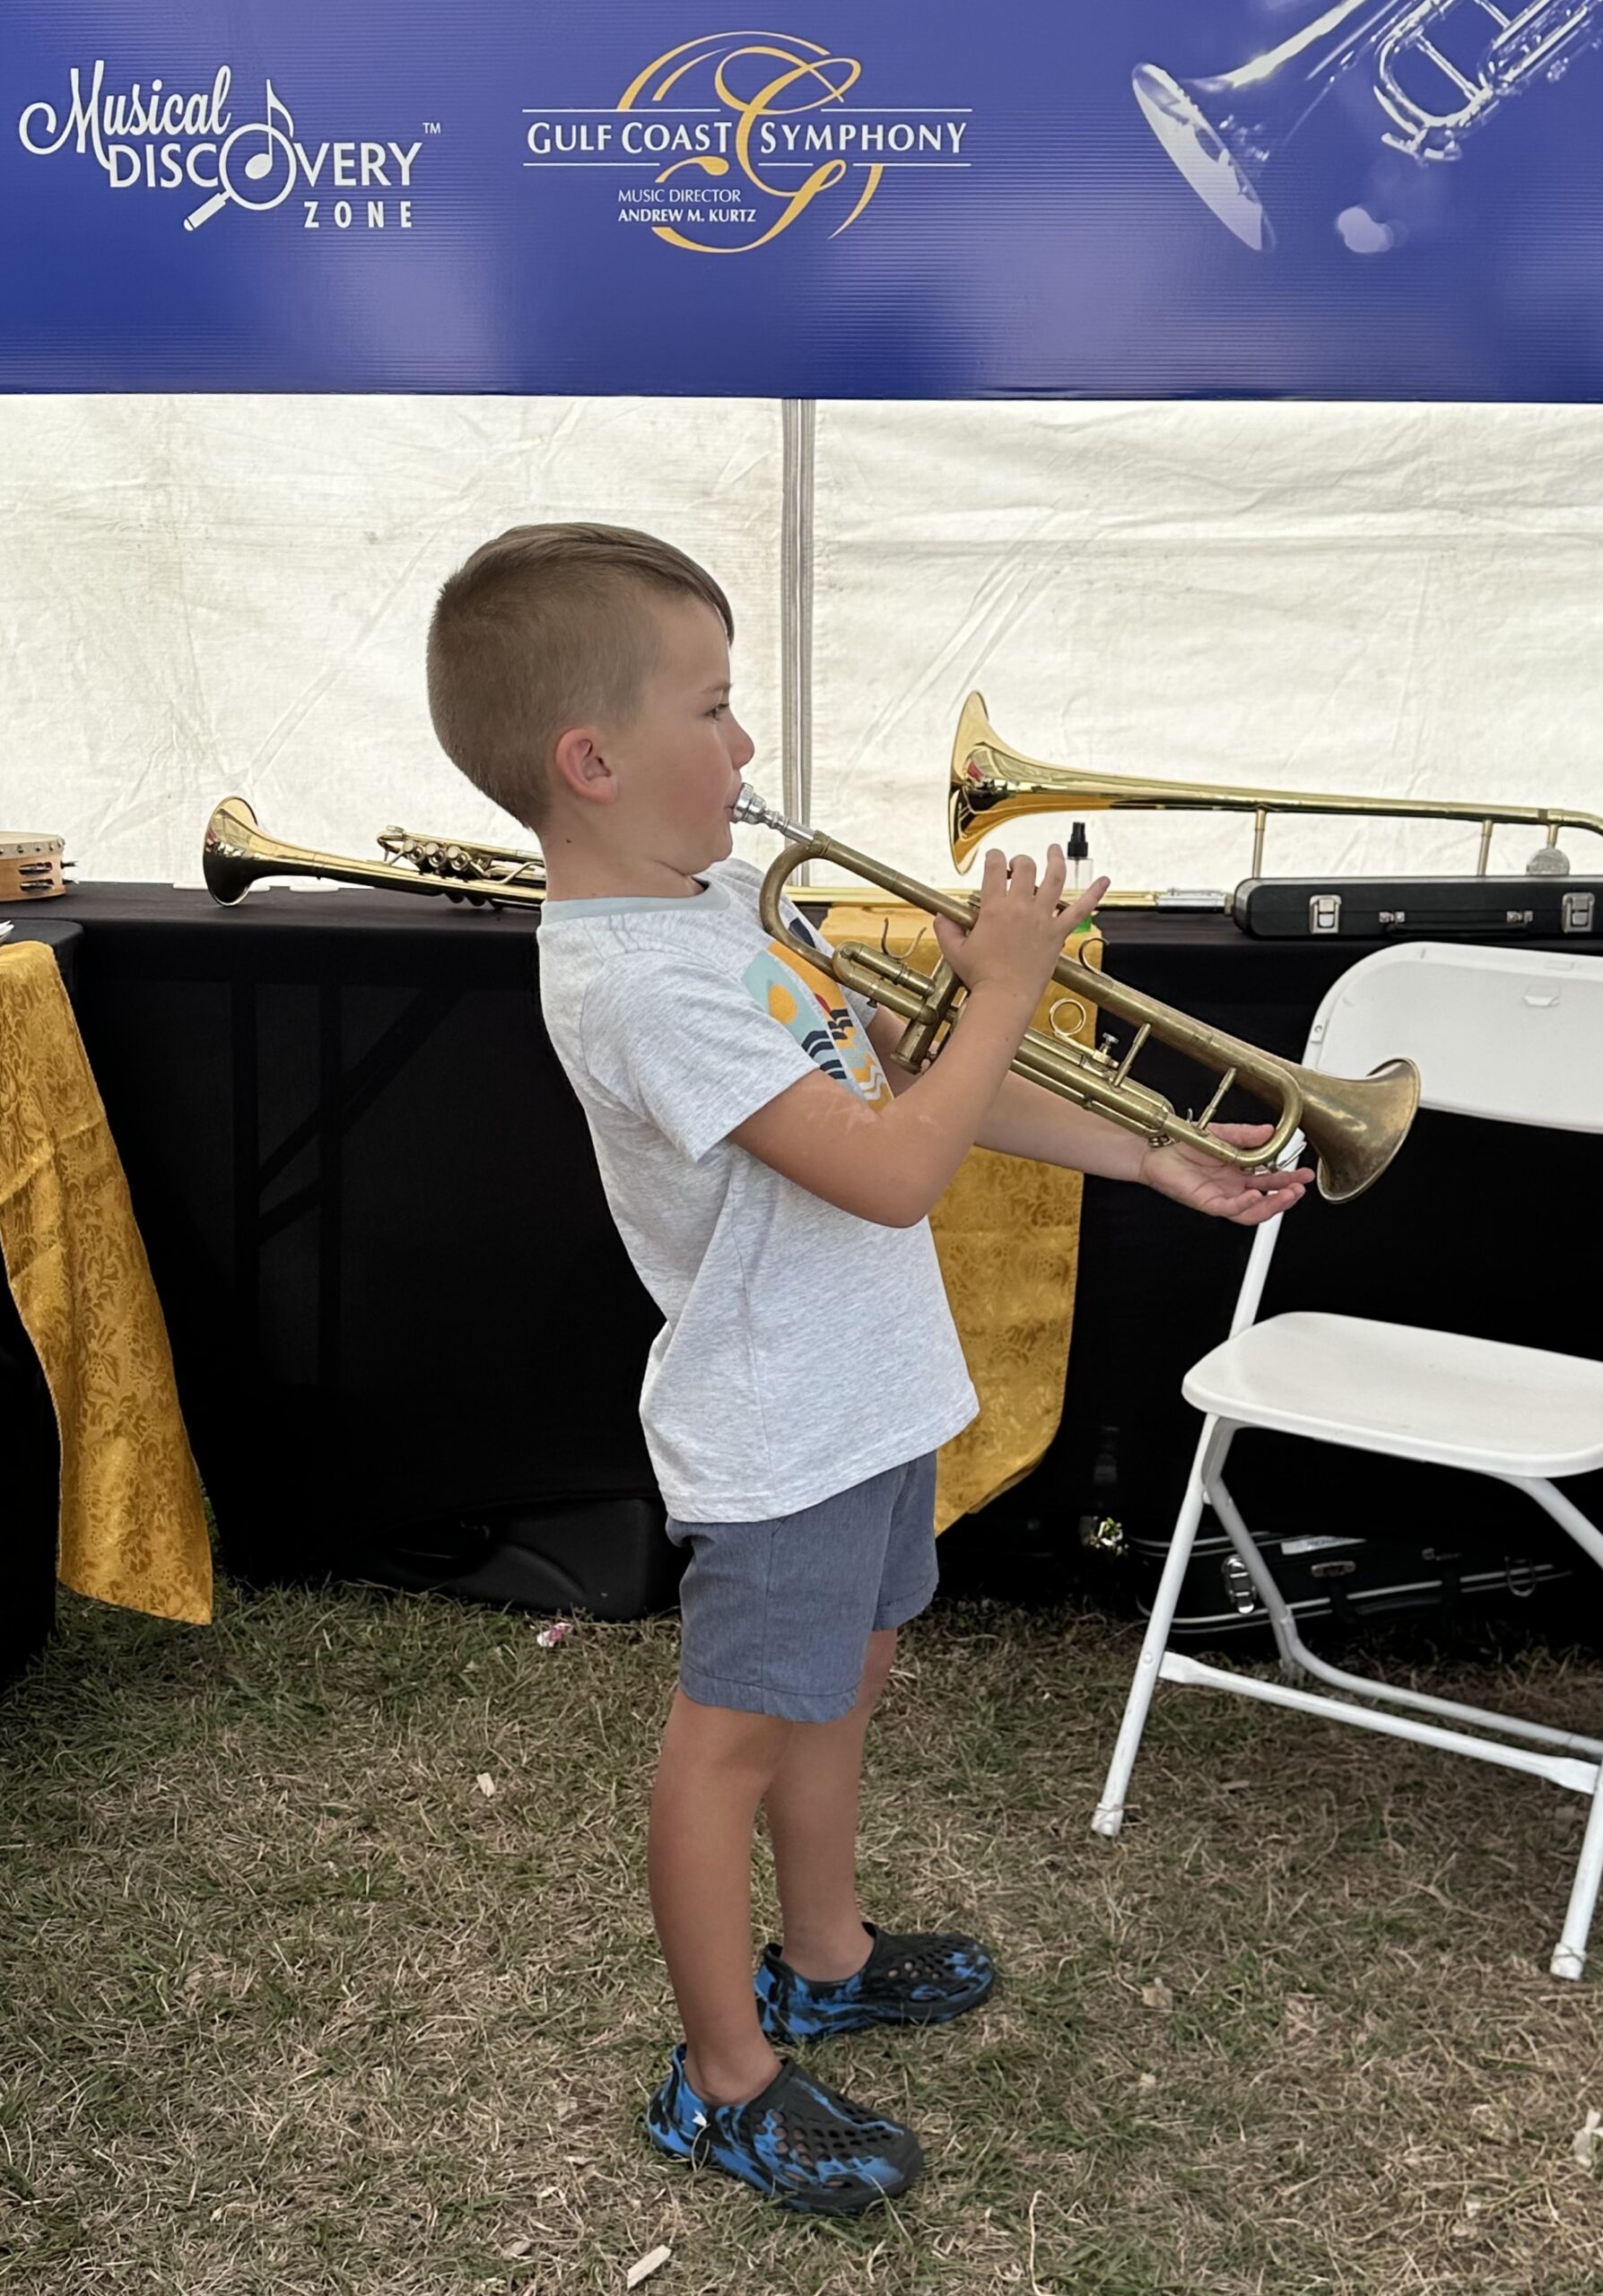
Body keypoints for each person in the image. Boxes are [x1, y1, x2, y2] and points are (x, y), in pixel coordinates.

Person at [425, 523, 1312, 2216]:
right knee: (732, 1745)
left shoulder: (714, 909)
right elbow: (899, 1171)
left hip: (867, 1389)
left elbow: (902, 1079)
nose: (748, 742)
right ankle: (721, 2079)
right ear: (593, 761)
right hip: (779, 1423)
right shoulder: (633, 982)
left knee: (843, 1683)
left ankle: (823, 1957)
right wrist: (1013, 987)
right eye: (714, 708)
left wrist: (1152, 1153)